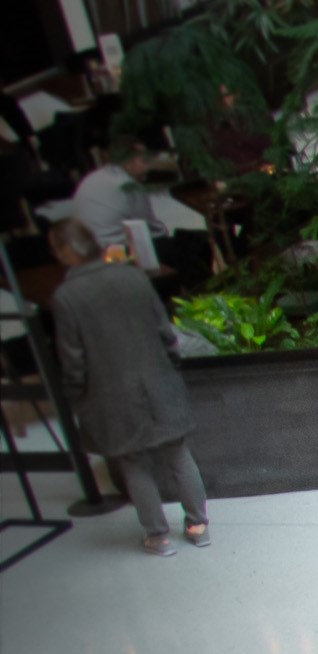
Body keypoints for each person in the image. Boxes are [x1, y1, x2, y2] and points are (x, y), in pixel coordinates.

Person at [48, 218, 210, 551]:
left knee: (134, 463)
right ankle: (198, 526)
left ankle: (158, 535)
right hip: (158, 379)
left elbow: (73, 359)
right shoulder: (131, 275)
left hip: (110, 394)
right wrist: (171, 366)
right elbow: (165, 331)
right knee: (179, 455)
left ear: (63, 253)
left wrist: (77, 398)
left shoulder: (66, 297)